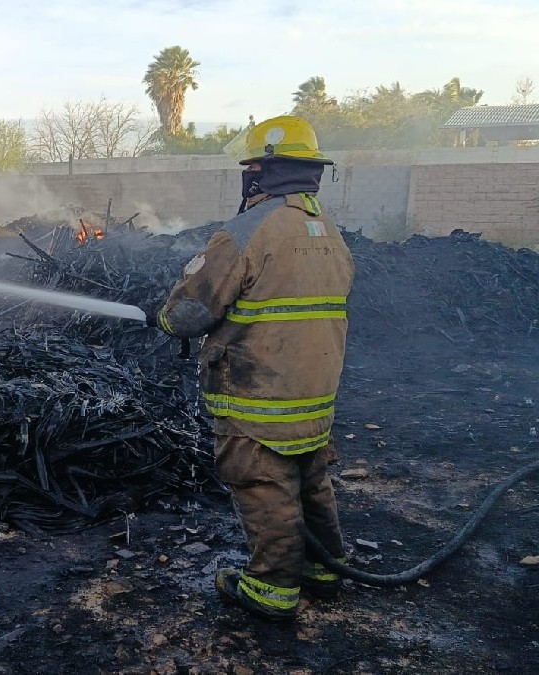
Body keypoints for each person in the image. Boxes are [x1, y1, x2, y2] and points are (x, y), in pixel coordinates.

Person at [148, 115, 354, 621]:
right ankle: (325, 568)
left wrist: (166, 320)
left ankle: (271, 590)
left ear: (262, 170)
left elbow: (190, 312)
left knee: (264, 481)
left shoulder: (246, 231)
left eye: (253, 166)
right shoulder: (328, 233)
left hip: (257, 394)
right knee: (310, 475)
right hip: (314, 391)